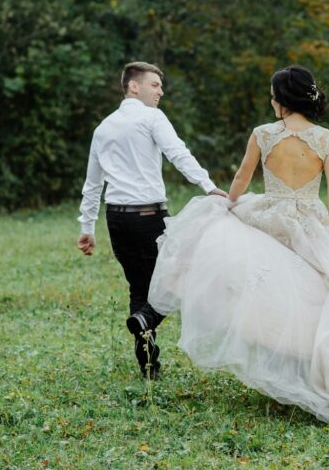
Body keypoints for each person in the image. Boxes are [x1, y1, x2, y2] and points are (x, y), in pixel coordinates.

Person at [148, 65, 329, 425]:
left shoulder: (263, 134)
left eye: (273, 94)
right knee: (323, 290)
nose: (271, 100)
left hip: (269, 214)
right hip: (310, 222)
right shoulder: (326, 138)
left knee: (269, 283)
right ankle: (324, 366)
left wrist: (228, 202)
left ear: (283, 99)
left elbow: (242, 178)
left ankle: (282, 354)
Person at [76, 61, 227, 379]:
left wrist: (87, 228)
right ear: (134, 86)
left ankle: (148, 364)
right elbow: (178, 152)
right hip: (148, 216)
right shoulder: (151, 117)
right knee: (177, 277)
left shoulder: (103, 127)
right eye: (155, 85)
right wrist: (209, 186)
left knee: (139, 288)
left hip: (115, 219)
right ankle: (145, 320)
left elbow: (93, 185)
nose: (160, 92)